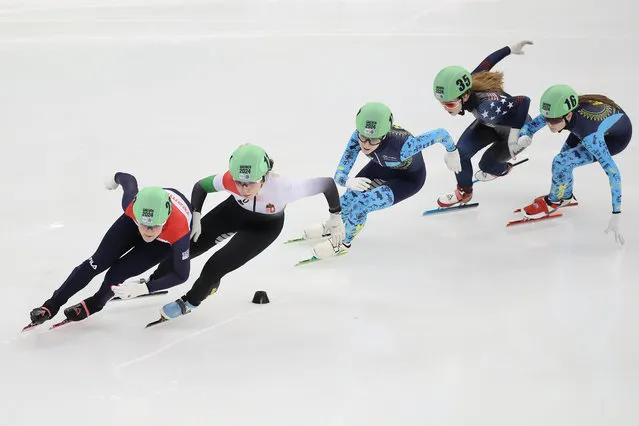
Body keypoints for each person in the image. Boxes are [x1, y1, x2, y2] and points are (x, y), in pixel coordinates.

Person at [122, 143, 345, 321]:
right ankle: (156, 280)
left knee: (216, 265)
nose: (243, 188)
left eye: (250, 183)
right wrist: (197, 214)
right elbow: (201, 186)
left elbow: (326, 184)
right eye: (239, 182)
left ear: (265, 175)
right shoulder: (231, 180)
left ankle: (190, 301)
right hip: (233, 212)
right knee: (186, 246)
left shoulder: (284, 189)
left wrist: (336, 215)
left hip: (265, 227)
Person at [26, 173, 193, 328]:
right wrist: (114, 178)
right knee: (96, 262)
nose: (148, 231)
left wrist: (146, 288)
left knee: (118, 273)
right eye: (144, 225)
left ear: (165, 219)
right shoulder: (131, 205)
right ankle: (51, 305)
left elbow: (181, 274)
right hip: (134, 222)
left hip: (165, 240)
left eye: (154, 226)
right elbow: (128, 180)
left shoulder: (179, 232)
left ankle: (95, 303)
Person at [303, 101, 461, 259]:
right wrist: (347, 181)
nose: (365, 144)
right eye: (363, 137)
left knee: (361, 204)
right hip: (383, 166)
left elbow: (441, 133)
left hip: (409, 179)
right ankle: (332, 226)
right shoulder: (358, 136)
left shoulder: (404, 145)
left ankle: (342, 243)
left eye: (373, 140)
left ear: (385, 135)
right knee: (348, 197)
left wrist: (452, 151)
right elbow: (340, 173)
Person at [514, 84, 631, 245]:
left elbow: (614, 173)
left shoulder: (590, 136)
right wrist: (524, 135)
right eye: (547, 119)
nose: (549, 124)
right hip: (590, 126)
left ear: (568, 115)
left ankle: (554, 201)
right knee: (562, 159)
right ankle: (565, 196)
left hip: (614, 139)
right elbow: (531, 126)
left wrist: (616, 214)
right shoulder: (558, 112)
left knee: (561, 161)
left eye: (553, 121)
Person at [432, 40, 534, 207]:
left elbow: (524, 101)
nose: (446, 109)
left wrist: (514, 137)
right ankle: (464, 192)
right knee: (459, 155)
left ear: (465, 96)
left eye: (449, 104)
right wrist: (510, 49)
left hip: (517, 130)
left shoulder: (486, 107)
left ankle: (502, 169)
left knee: (486, 165)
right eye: (442, 104)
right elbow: (487, 62)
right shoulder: (469, 82)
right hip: (491, 124)